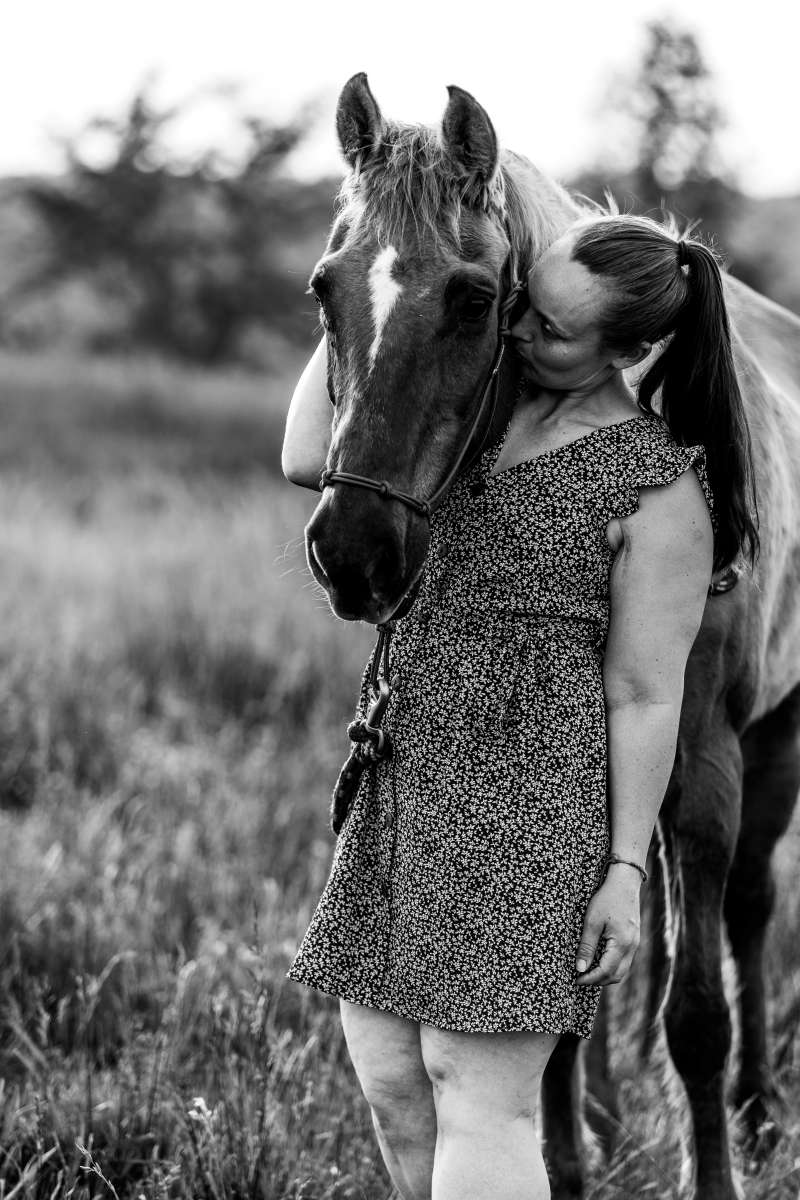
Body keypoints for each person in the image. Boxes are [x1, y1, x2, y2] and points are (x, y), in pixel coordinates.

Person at [281, 213, 759, 1200]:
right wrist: (359, 280)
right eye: (517, 308)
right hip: (402, 787)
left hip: (531, 808)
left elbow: (640, 695)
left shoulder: (657, 489)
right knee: (391, 1084)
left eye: (549, 327)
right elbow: (303, 456)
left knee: (478, 1097)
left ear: (627, 348)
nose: (520, 334)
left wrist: (624, 869)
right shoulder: (469, 421)